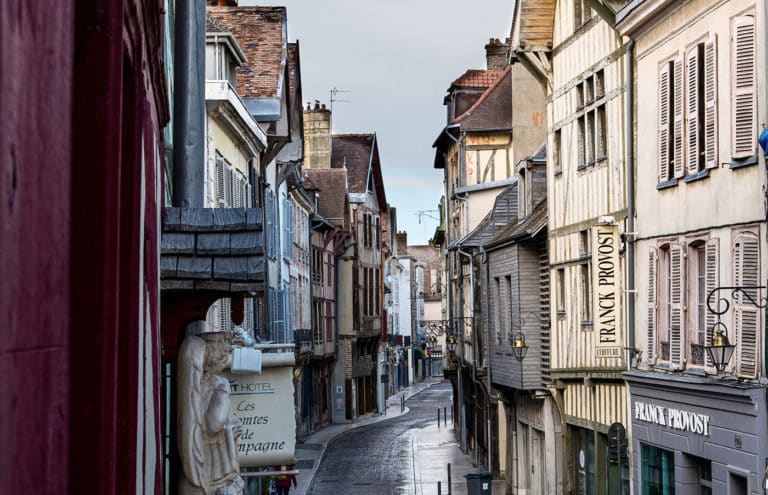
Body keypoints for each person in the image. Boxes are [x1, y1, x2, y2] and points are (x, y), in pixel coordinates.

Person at [178, 332, 244, 495]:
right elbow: (215, 424)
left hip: (192, 473)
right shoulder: (220, 384)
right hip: (215, 473)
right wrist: (232, 425)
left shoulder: (194, 384)